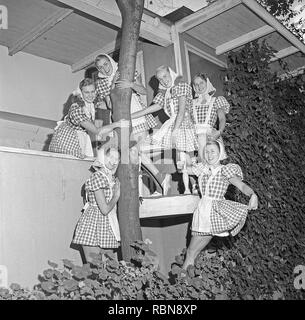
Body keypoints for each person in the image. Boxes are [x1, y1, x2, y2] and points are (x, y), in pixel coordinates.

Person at [182, 139, 258, 270]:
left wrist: (253, 194)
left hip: (212, 214)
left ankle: (181, 284)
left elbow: (242, 186)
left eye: (213, 151)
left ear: (220, 153)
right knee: (192, 253)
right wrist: (184, 158)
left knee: (190, 252)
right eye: (206, 152)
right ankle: (186, 284)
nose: (209, 155)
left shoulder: (225, 170)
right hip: (202, 211)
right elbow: (184, 170)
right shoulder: (203, 169)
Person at [131, 65, 198, 194]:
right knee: (143, 149)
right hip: (171, 124)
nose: (163, 81)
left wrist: (175, 130)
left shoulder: (181, 86)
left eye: (165, 76)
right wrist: (130, 116)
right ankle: (162, 179)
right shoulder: (164, 93)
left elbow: (182, 110)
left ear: (171, 74)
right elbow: (148, 110)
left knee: (186, 157)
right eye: (160, 79)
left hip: (183, 123)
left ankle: (193, 187)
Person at [49, 78, 125, 158]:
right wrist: (117, 124)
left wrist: (113, 82)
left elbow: (109, 104)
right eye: (86, 92)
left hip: (80, 136)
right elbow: (97, 131)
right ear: (80, 93)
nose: (90, 95)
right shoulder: (76, 109)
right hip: (67, 139)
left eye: (92, 92)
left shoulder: (90, 104)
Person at [72, 147, 121, 263]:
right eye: (111, 157)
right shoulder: (97, 177)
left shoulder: (109, 178)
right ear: (103, 158)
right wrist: (116, 196)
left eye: (117, 159)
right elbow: (104, 209)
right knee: (95, 266)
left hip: (107, 224)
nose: (114, 161)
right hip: (94, 224)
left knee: (110, 268)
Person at [191, 73, 230, 162]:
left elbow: (222, 119)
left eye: (201, 83)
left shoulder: (216, 100)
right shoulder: (191, 103)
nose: (199, 86)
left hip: (210, 135)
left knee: (210, 163)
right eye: (196, 84)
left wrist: (219, 132)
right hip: (194, 137)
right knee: (197, 165)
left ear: (207, 83)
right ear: (194, 87)